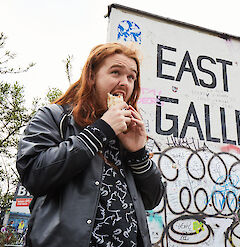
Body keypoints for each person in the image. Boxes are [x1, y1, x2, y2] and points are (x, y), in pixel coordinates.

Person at [16, 43, 165, 247]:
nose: (125, 83)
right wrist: (101, 130)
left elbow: (152, 199)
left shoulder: (126, 132)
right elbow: (33, 173)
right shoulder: (56, 117)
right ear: (92, 76)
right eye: (115, 72)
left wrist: (138, 152)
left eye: (131, 77)